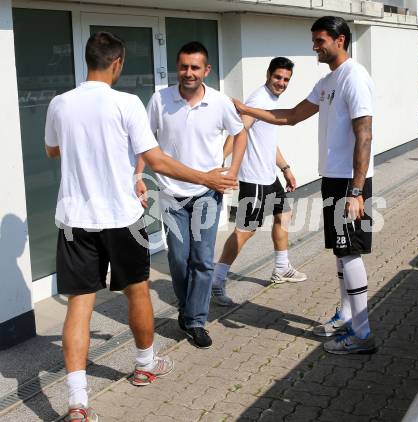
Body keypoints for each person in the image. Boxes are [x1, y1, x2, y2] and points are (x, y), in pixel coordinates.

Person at [45, 32, 238, 421]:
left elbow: (53, 150)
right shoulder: (126, 102)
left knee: (80, 306)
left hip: (74, 221)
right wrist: (207, 179)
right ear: (117, 64)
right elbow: (158, 161)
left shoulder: (59, 104)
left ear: (88, 60)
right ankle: (145, 365)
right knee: (137, 292)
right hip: (122, 218)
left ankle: (78, 404)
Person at [232, 16, 376, 355]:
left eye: (320, 40)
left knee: (350, 251)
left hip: (349, 184)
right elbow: (290, 116)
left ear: (340, 40)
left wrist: (356, 192)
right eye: (314, 40)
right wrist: (245, 107)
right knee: (341, 253)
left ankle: (363, 333)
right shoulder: (328, 81)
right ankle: (346, 315)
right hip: (333, 178)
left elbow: (364, 135)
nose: (315, 46)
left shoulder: (355, 78)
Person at [138, 41, 246, 349]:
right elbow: (144, 142)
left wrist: (232, 170)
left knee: (202, 259)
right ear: (177, 68)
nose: (189, 73)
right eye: (184, 66)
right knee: (177, 257)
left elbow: (240, 133)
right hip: (171, 193)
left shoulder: (220, 102)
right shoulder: (160, 100)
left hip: (206, 193)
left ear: (206, 70)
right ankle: (187, 308)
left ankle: (196, 319)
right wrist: (138, 176)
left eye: (195, 67)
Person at [211, 57, 307, 307]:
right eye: (278, 77)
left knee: (284, 214)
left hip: (269, 176)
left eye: (286, 79)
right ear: (268, 74)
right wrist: (223, 163)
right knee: (245, 231)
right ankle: (217, 281)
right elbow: (238, 131)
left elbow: (267, 140)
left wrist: (285, 168)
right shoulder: (258, 100)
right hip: (254, 180)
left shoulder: (272, 101)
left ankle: (281, 268)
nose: (281, 83)